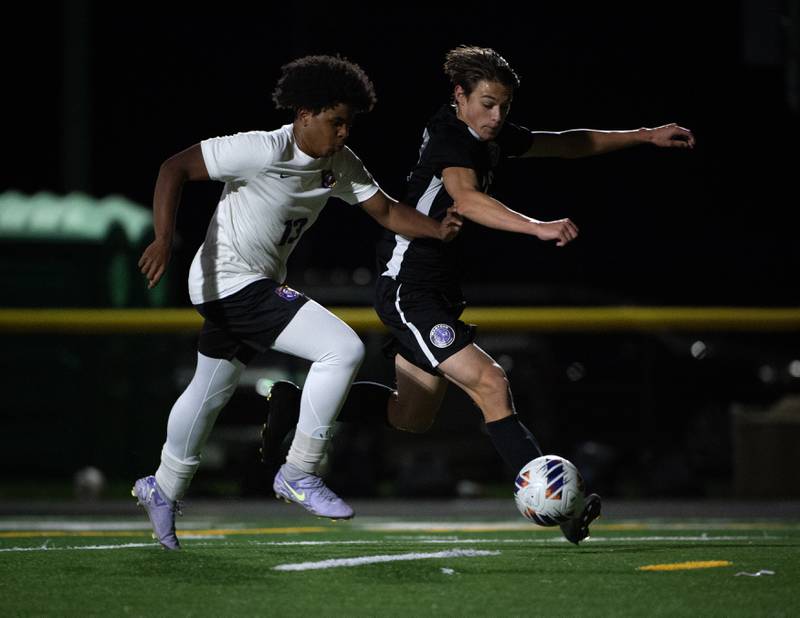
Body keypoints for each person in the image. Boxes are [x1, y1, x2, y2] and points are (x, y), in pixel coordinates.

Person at [260, 45, 695, 545]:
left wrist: (645, 135)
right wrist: (538, 227)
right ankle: (561, 508)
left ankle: (297, 405)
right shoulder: (451, 135)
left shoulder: (485, 133)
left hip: (436, 287)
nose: (496, 116)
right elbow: (467, 198)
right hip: (410, 285)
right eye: (487, 104)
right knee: (491, 382)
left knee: (411, 415)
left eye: (504, 107)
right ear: (459, 96)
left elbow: (567, 143)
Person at [132, 54, 463, 550]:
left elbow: (387, 210)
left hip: (246, 284)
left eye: (350, 122)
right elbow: (172, 168)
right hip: (229, 280)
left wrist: (436, 228)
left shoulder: (340, 164)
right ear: (303, 115)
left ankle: (162, 486)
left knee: (211, 388)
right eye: (335, 121)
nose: (344, 131)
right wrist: (163, 238)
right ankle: (299, 471)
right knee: (343, 349)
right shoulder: (260, 149)